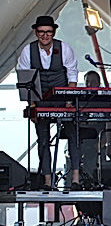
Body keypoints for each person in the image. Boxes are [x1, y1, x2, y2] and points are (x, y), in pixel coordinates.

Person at [17, 15, 81, 189]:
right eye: (41, 32)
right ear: (35, 32)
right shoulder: (27, 51)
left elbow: (72, 74)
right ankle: (47, 180)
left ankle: (75, 179)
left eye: (48, 32)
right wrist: (32, 106)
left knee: (73, 136)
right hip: (40, 99)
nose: (45, 36)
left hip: (62, 99)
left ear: (54, 32)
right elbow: (25, 79)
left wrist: (69, 99)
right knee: (43, 139)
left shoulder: (64, 49)